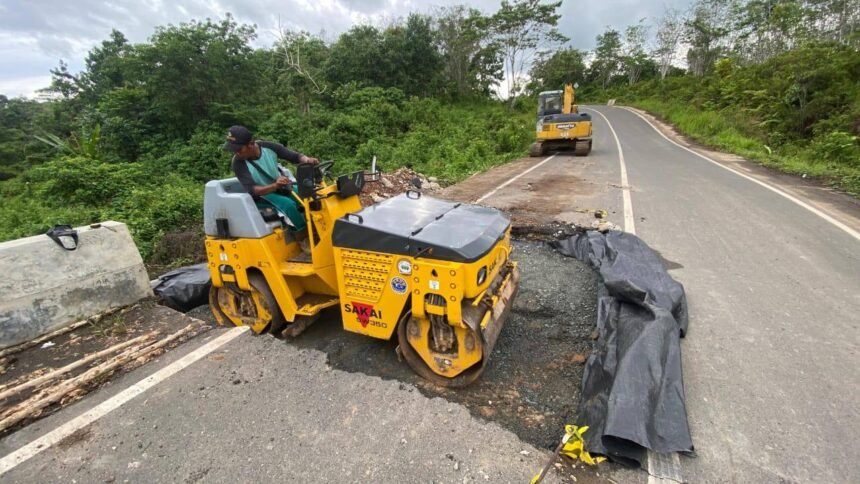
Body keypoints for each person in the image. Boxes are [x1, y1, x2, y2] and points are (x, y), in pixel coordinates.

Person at [222, 125, 319, 233]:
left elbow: (294, 156)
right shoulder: (238, 163)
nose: (237, 153)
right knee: (288, 205)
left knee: (308, 195)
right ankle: (304, 235)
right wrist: (275, 185)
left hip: (280, 187)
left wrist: (307, 160)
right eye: (234, 150)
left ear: (251, 144)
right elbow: (254, 190)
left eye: (239, 149)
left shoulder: (268, 147)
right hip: (263, 195)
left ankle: (318, 226)